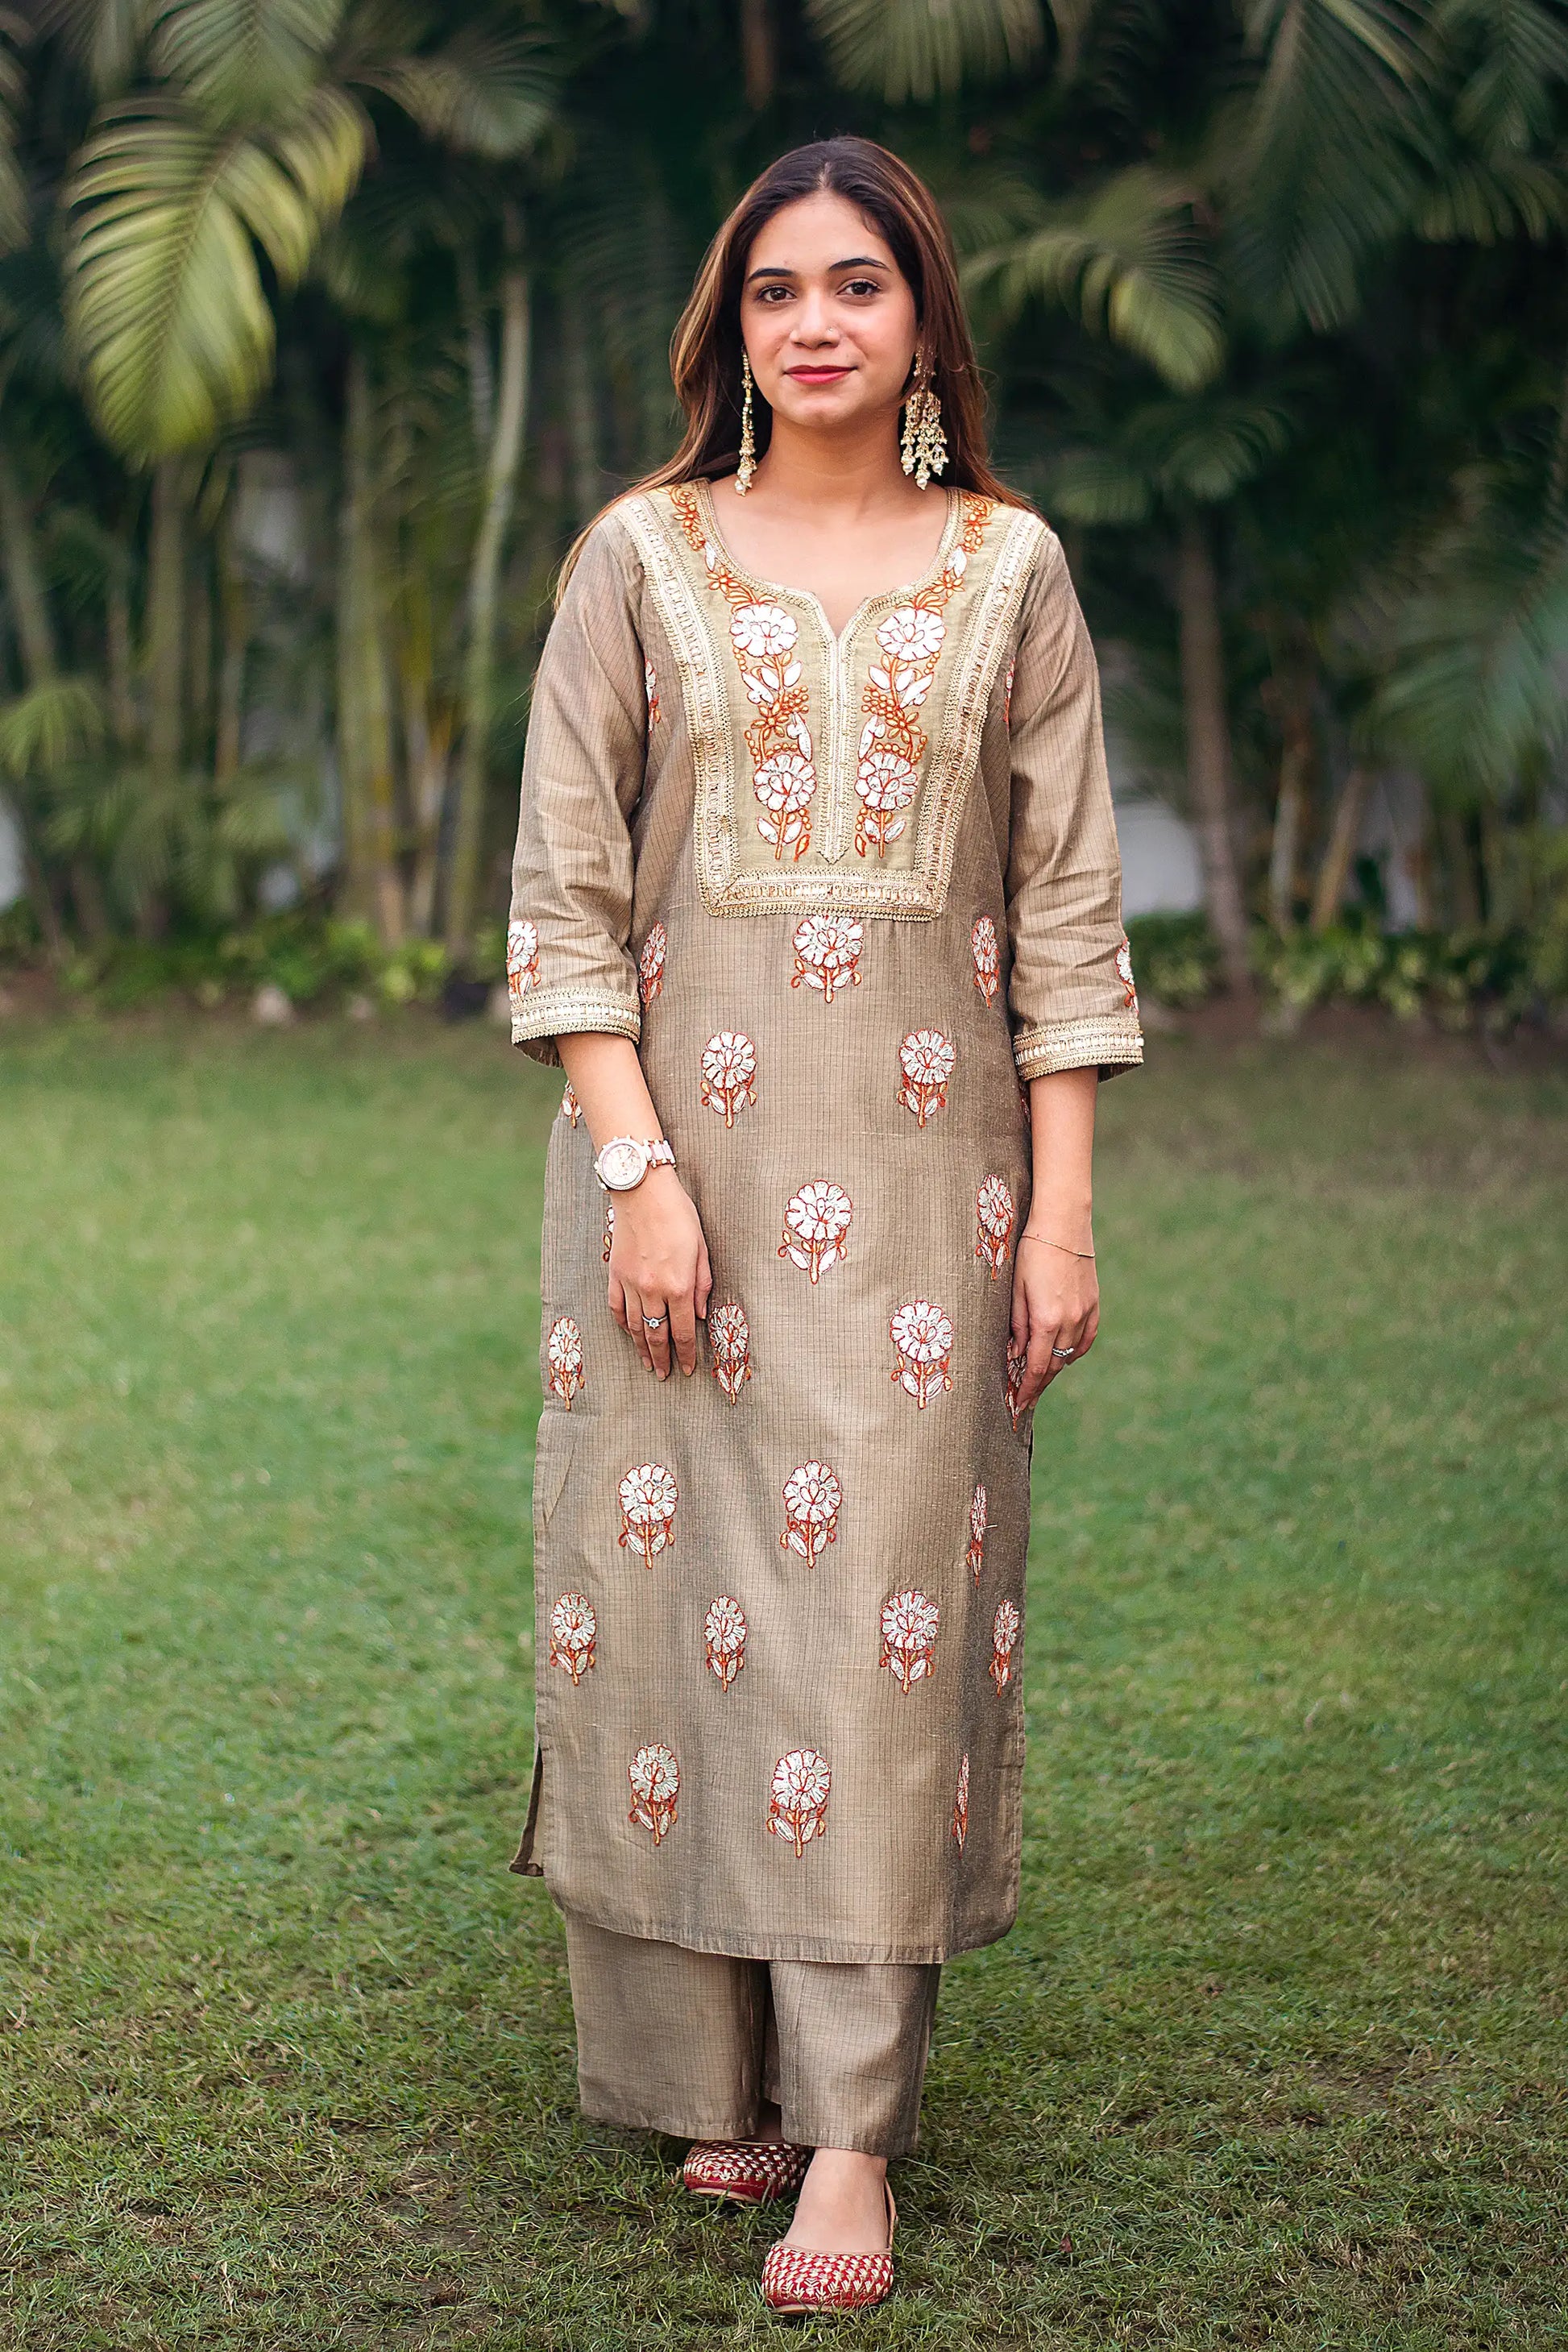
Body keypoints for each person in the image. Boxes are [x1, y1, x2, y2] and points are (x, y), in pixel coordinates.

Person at [505, 134, 1142, 2316]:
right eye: (775, 288)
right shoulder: (638, 556)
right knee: (672, 1598)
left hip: (921, 1194)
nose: (814, 322)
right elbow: (563, 901)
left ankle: (850, 2133)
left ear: (922, 323)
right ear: (730, 330)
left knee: (874, 1623)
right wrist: (633, 1175)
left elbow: (1064, 920)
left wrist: (1056, 1221)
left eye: (857, 284)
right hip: (673, 1179)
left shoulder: (1010, 571)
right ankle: (714, 2078)